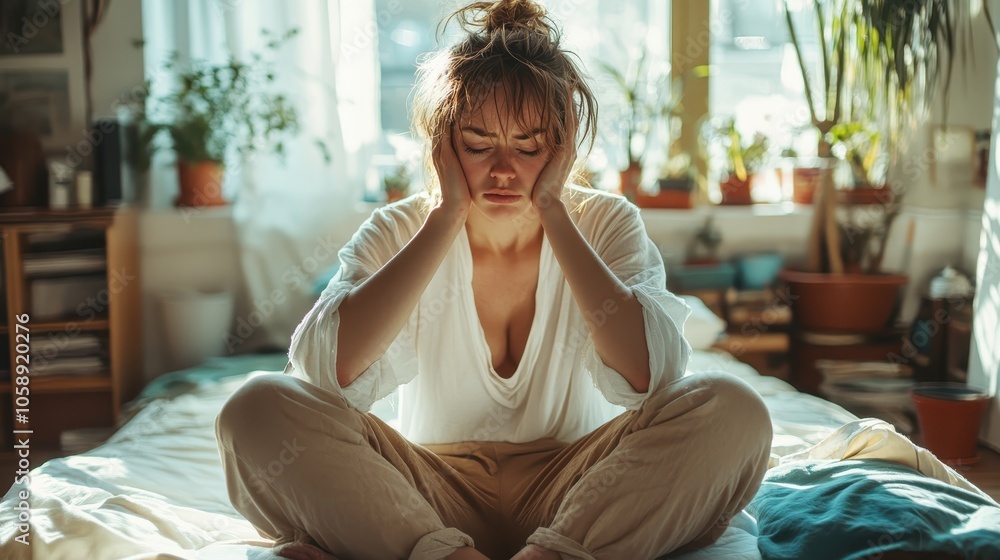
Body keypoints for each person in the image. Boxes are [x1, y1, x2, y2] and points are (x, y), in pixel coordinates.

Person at [215, 1, 772, 559]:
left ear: (561, 146)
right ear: (442, 142)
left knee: (732, 408)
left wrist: (554, 208)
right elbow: (323, 372)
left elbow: (655, 373)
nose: (503, 170)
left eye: (528, 147)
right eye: (478, 144)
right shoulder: (401, 226)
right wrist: (446, 216)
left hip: (579, 492)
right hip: (423, 497)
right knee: (257, 407)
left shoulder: (605, 221)